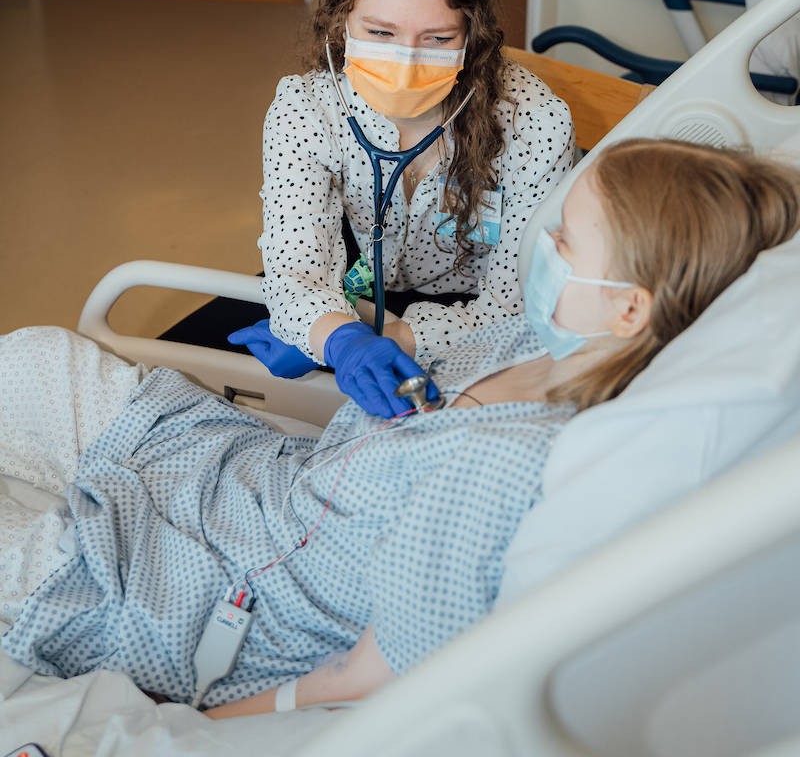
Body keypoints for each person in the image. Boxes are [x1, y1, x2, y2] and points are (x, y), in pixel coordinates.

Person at [1, 139, 798, 717]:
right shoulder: (536, 340)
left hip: (192, 584)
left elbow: (368, 677)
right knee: (32, 357)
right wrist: (328, 334)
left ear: (629, 307)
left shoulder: (507, 464)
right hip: (227, 469)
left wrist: (200, 728)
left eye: (564, 242)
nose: (541, 253)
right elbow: (415, 338)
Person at [231, 0, 574, 417]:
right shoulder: (305, 108)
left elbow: (514, 304)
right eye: (381, 34)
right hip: (345, 280)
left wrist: (383, 339)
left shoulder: (535, 122)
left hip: (467, 313)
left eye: (437, 39)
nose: (406, 65)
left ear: (472, 35)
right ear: (342, 19)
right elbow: (295, 269)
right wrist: (332, 334)